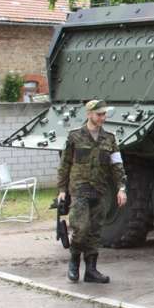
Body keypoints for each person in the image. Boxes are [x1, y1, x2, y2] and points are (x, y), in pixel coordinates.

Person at [57, 100, 127, 283]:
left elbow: (117, 165)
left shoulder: (109, 139)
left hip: (100, 190)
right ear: (89, 114)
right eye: (99, 114)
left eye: (104, 114)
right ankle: (74, 263)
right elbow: (65, 165)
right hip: (80, 190)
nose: (102, 118)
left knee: (95, 232)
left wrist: (121, 188)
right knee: (81, 228)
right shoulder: (75, 137)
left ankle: (91, 270)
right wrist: (62, 190)